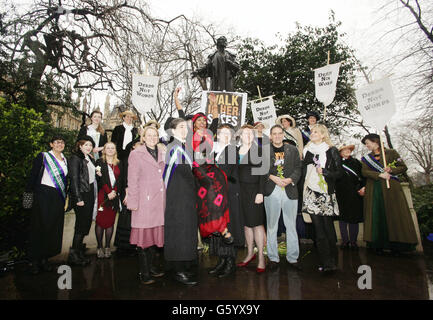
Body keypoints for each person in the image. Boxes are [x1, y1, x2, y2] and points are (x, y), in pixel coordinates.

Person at [361, 134, 418, 255]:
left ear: (375, 141)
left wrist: (391, 170)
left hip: (391, 189)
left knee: (394, 214)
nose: (367, 146)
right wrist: (379, 175)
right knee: (376, 215)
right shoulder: (366, 158)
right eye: (365, 144)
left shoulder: (392, 153)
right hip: (374, 189)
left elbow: (403, 167)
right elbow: (364, 172)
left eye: (367, 143)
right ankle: (378, 245)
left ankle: (397, 245)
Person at [127, 126, 166, 284]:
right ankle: (144, 273)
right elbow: (132, 179)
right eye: (149, 135)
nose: (152, 138)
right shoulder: (136, 154)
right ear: (143, 137)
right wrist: (133, 202)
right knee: (143, 239)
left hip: (159, 201)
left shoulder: (163, 152)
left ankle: (151, 267)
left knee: (154, 237)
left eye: (155, 135)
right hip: (144, 201)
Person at [302, 124, 342, 273]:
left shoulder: (331, 151)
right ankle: (325, 262)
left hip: (326, 192)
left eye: (316, 132)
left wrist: (325, 171)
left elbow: (339, 173)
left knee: (328, 228)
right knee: (318, 230)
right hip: (311, 192)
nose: (312, 133)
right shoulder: (307, 150)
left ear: (323, 135)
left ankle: (333, 260)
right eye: (312, 132)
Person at [25, 136, 68, 274]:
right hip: (42, 194)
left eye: (62, 142)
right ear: (51, 144)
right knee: (39, 227)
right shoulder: (43, 156)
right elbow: (33, 175)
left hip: (57, 196)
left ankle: (45, 259)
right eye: (56, 142)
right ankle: (34, 261)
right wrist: (28, 195)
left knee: (52, 227)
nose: (59, 144)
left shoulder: (65, 159)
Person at [163, 118, 198, 285]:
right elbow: (173, 175)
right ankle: (178, 270)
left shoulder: (183, 147)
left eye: (186, 127)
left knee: (186, 230)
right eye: (182, 127)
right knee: (179, 232)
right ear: (173, 130)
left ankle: (184, 265)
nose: (186, 130)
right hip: (176, 198)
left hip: (186, 197)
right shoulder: (173, 148)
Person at [207, 124, 245, 278]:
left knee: (229, 227)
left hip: (229, 193)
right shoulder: (215, 150)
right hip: (218, 194)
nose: (225, 135)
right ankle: (222, 261)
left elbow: (224, 171)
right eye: (222, 133)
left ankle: (230, 263)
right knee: (221, 226)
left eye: (228, 133)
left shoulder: (231, 150)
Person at [264, 125, 302, 270]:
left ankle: (293, 258)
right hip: (272, 190)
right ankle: (273, 258)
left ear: (283, 135)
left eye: (280, 133)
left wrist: (290, 179)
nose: (278, 136)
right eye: (275, 134)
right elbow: (260, 168)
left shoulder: (292, 150)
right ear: (271, 136)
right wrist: (272, 177)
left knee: (291, 226)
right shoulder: (264, 151)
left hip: (289, 189)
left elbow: (299, 168)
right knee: (272, 226)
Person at [236, 124, 267, 273]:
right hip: (240, 191)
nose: (248, 135)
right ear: (240, 136)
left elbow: (263, 174)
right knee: (246, 224)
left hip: (255, 191)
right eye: (245, 133)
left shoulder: (258, 150)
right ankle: (250, 253)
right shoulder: (235, 151)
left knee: (257, 223)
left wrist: (261, 192)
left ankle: (261, 257)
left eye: (250, 133)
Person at [68, 135, 97, 266]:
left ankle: (78, 251)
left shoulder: (89, 158)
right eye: (86, 145)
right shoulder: (76, 158)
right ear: (80, 145)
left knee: (85, 223)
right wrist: (78, 198)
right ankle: (73, 254)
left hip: (89, 192)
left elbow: (90, 175)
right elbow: (74, 179)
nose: (89, 147)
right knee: (81, 224)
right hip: (81, 194)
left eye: (90, 145)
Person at [95, 142, 123, 259]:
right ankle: (99, 247)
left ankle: (107, 247)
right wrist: (108, 191)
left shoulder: (119, 163)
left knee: (110, 222)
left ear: (115, 150)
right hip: (103, 195)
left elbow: (121, 179)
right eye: (108, 148)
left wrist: (114, 191)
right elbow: (99, 179)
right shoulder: (99, 162)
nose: (110, 150)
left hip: (114, 196)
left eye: (113, 148)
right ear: (104, 150)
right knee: (100, 222)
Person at [335, 144, 365, 249]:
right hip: (341, 193)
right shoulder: (336, 163)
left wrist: (363, 187)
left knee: (354, 218)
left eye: (348, 149)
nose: (347, 151)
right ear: (340, 152)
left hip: (354, 193)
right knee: (342, 218)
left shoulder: (356, 162)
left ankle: (353, 241)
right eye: (344, 150)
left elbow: (363, 176)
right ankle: (344, 241)